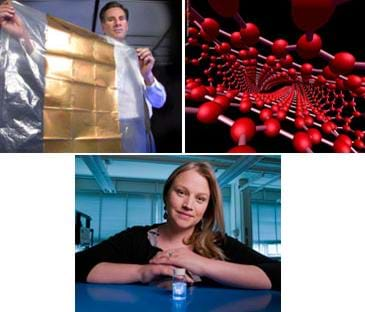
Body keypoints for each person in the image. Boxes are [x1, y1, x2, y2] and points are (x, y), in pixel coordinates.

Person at [76, 162, 281, 290]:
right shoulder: (135, 238)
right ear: (166, 195)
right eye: (181, 192)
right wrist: (142, 272)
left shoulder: (220, 243)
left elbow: (278, 273)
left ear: (207, 208)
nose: (188, 205)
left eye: (200, 199)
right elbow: (78, 266)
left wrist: (201, 264)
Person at [99, 1, 167, 152]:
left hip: (140, 131)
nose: (117, 23)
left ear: (127, 24)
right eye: (111, 19)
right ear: (103, 26)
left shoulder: (140, 57)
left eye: (121, 18)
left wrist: (148, 76)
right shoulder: (94, 56)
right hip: (106, 130)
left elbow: (159, 102)